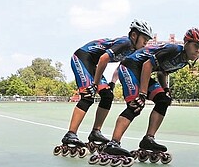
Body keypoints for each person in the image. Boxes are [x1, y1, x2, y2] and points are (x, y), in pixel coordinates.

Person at [103, 27, 199, 159]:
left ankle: (148, 139)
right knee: (135, 105)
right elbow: (147, 65)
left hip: (142, 71)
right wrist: (142, 94)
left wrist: (165, 89)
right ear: (186, 43)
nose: (198, 51)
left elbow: (162, 72)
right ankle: (113, 144)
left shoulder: (183, 61)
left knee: (163, 100)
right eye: (196, 46)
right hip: (130, 67)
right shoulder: (174, 50)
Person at [58, 19, 154, 151]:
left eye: (147, 40)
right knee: (88, 96)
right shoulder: (125, 43)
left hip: (93, 64)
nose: (145, 43)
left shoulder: (132, 50)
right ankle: (70, 134)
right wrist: (95, 84)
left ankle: (95, 132)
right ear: (134, 36)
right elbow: (103, 58)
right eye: (144, 38)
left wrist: (112, 84)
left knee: (107, 95)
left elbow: (120, 66)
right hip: (82, 58)